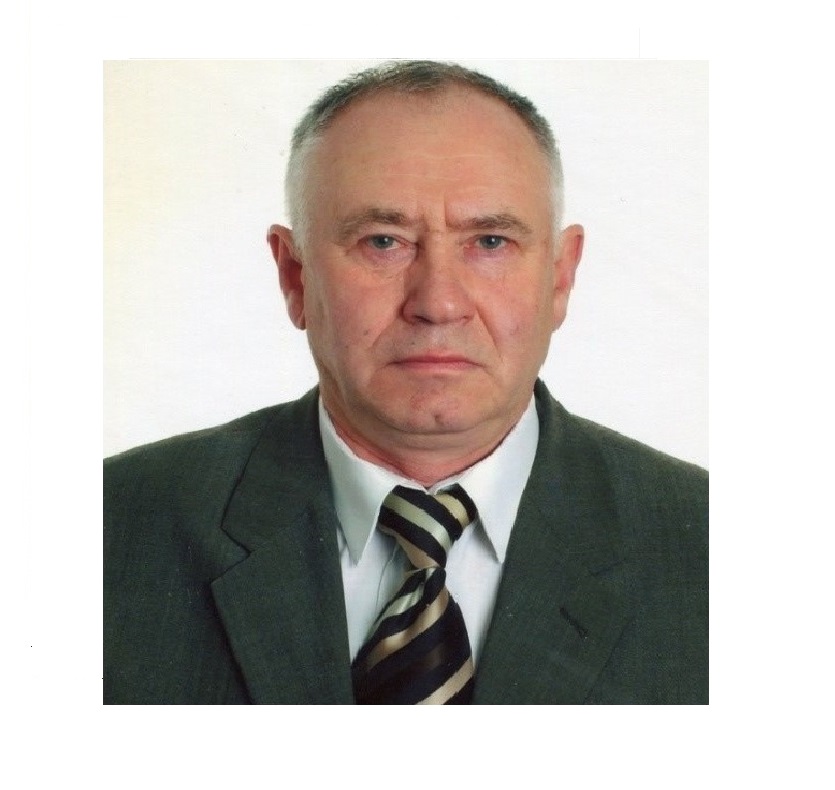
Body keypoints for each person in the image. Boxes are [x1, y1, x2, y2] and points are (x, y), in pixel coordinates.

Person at [104, 60, 708, 704]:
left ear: (560, 278)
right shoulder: (105, 529)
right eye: (383, 242)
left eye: (491, 242)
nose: (438, 303)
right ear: (294, 276)